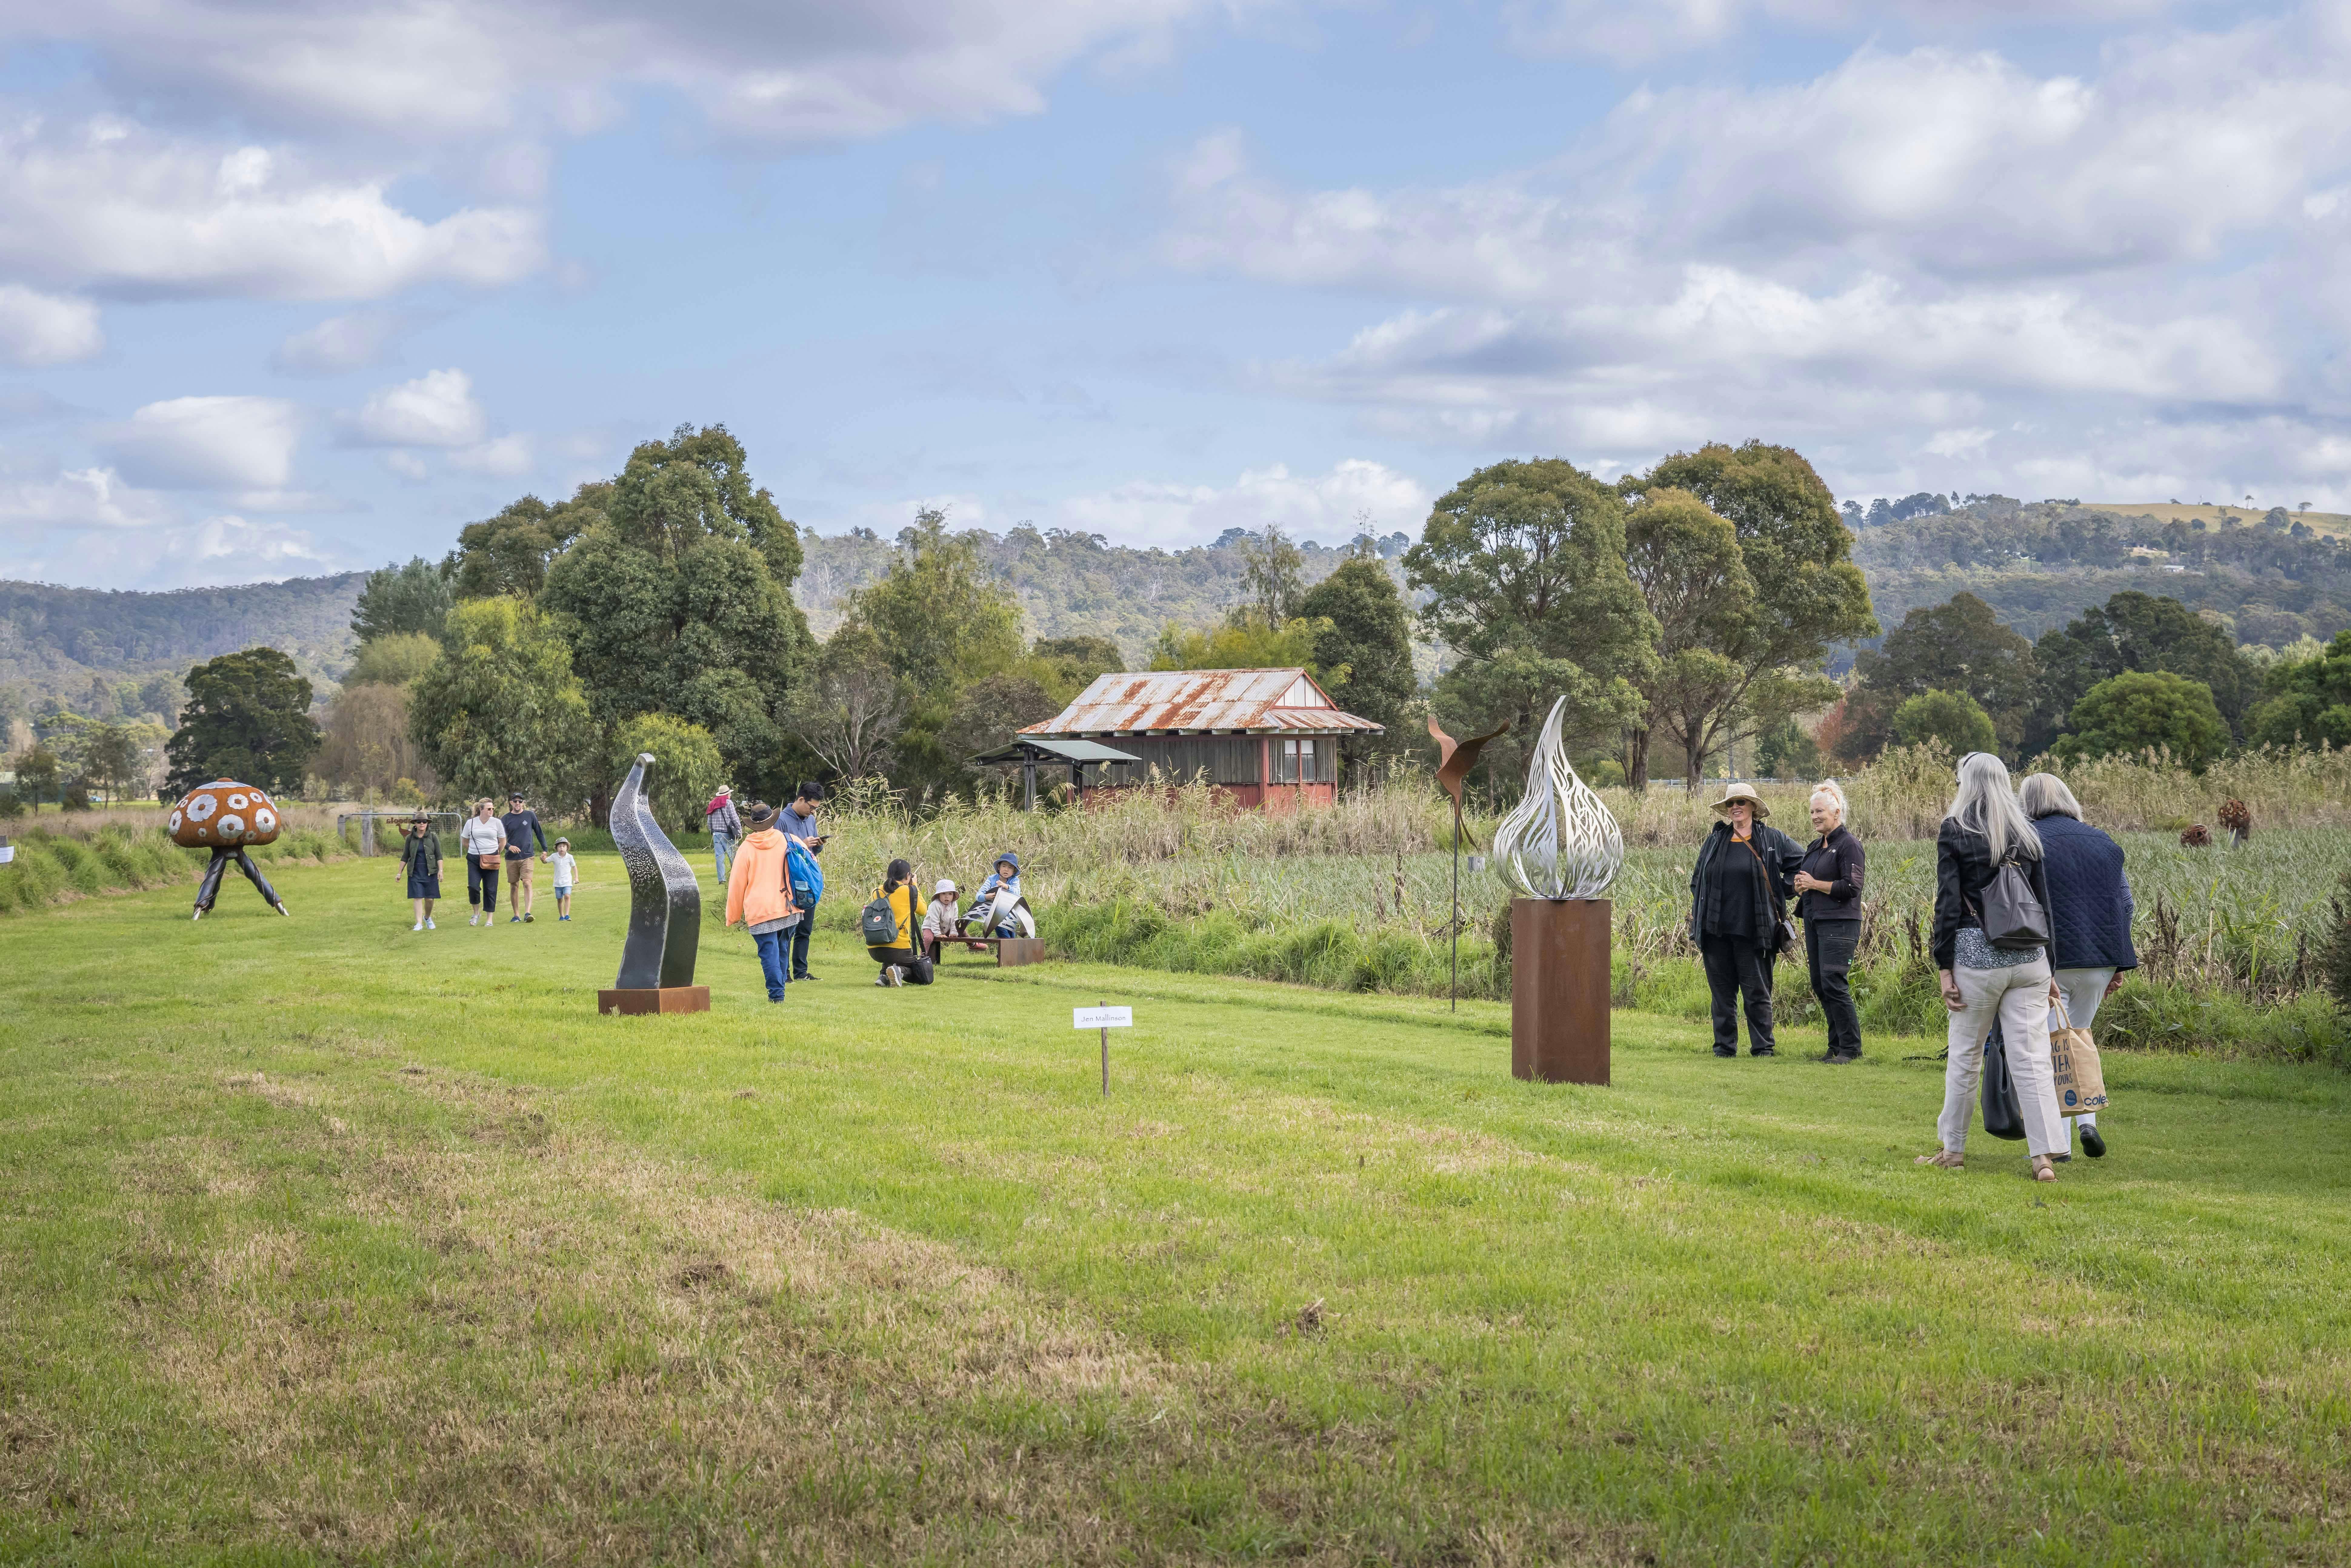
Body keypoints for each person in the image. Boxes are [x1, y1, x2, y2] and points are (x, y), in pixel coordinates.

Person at [1918, 752, 2065, 1181]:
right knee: (2032, 1058)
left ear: (1965, 782)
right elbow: (2042, 906)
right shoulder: (2027, 833)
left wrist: (1943, 965)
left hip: (1975, 955)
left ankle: (1953, 1150)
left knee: (1965, 1056)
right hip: (2029, 959)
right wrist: (2049, 966)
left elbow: (1947, 903)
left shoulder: (1955, 830)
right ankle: (2043, 1157)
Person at [2020, 772, 2134, 1160]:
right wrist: (2117, 963)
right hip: (2100, 960)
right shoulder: (2104, 842)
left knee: (2051, 1050)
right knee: (2079, 1036)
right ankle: (2086, 1124)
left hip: (2051, 961)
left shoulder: (2028, 841)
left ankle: (2058, 1146)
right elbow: (2126, 905)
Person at [1687, 781, 1804, 1058]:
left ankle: (1763, 1048)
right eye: (1731, 803)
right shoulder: (1716, 840)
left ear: (1753, 807)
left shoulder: (1771, 839)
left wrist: (1786, 889)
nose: (1735, 807)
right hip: (1716, 931)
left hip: (1756, 930)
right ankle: (1724, 1048)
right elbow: (1697, 881)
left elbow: (1802, 861)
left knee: (1757, 993)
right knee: (1722, 996)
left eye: (1741, 802)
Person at [1792, 779, 1866, 1063]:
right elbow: (1805, 881)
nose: (1814, 817)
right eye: (1811, 812)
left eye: (1820, 811)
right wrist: (1799, 886)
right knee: (1821, 984)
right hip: (1815, 920)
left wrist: (1815, 883)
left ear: (1837, 813)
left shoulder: (1849, 845)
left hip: (1840, 922)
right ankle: (1835, 1047)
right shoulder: (1815, 846)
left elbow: (1852, 888)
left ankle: (1851, 1048)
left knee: (1834, 982)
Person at [723, 801, 800, 1003]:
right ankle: (781, 986)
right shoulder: (788, 839)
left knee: (769, 953)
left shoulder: (746, 849)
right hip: (788, 905)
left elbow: (736, 885)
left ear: (753, 825)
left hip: (760, 911)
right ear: (772, 821)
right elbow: (810, 863)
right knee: (782, 947)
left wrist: (733, 916)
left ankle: (777, 996)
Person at [778, 782, 828, 982]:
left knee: (805, 929)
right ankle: (785, 973)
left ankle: (801, 972)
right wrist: (801, 844)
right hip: (789, 883)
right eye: (811, 807)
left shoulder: (811, 820)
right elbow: (777, 850)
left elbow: (812, 852)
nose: (812, 811)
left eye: (815, 808)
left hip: (808, 882)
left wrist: (818, 846)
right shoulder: (781, 820)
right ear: (800, 799)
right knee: (787, 930)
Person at [867, 857, 932, 987]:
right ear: (908, 876)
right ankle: (899, 971)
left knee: (891, 958)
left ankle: (884, 976)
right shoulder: (909, 891)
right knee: (922, 973)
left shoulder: (877, 891)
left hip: (874, 948)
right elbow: (923, 910)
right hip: (899, 948)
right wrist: (915, 886)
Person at [501, 791, 550, 923]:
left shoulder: (530, 815)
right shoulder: (505, 819)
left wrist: (545, 849)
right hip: (511, 858)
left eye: (520, 801)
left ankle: (528, 913)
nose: (518, 803)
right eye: (515, 801)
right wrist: (509, 847)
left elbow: (539, 833)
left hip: (528, 856)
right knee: (514, 885)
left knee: (527, 883)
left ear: (523, 803)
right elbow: (500, 838)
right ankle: (516, 915)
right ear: (511, 802)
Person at [459, 799, 506, 928]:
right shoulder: (471, 823)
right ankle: (476, 913)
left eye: (493, 809)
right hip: (474, 858)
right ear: (481, 809)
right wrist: (475, 851)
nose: (492, 811)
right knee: (473, 887)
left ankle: (489, 919)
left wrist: (495, 854)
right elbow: (465, 842)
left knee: (491, 889)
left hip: (492, 858)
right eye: (489, 809)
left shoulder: (497, 823)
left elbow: (502, 842)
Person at [963, 851, 1033, 938]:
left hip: (1012, 914)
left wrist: (1007, 887)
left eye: (1010, 868)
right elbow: (978, 896)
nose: (1006, 870)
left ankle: (1008, 951)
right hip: (997, 916)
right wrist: (986, 897)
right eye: (1004, 866)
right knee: (1001, 929)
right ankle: (1007, 951)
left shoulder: (1014, 880)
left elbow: (1017, 892)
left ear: (1014, 871)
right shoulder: (992, 879)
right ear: (999, 867)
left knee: (1011, 935)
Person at [399, 811, 441, 931]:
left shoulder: (433, 837)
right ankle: (419, 923)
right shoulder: (410, 839)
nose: (422, 824)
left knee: (429, 899)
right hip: (415, 872)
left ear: (427, 824)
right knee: (417, 897)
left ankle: (427, 918)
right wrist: (399, 873)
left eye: (424, 822)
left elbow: (439, 856)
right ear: (415, 824)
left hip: (430, 872)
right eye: (419, 822)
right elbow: (405, 856)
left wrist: (441, 871)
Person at [921, 877, 973, 963]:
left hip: (946, 927)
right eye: (944, 894)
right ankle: (923, 956)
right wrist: (938, 934)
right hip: (930, 928)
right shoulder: (936, 905)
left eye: (950, 894)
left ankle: (972, 944)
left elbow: (955, 920)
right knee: (928, 938)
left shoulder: (954, 904)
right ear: (939, 895)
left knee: (962, 930)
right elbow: (934, 921)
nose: (947, 897)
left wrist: (954, 932)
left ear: (953, 896)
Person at [707, 784, 742, 885]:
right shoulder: (728, 803)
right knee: (733, 857)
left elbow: (709, 821)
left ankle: (722, 879)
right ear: (728, 794)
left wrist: (712, 831)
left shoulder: (712, 803)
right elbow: (734, 818)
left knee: (719, 857)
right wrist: (739, 830)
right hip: (728, 834)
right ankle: (736, 877)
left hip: (717, 834)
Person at [548, 837, 579, 921]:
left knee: (567, 896)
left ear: (567, 848)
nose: (562, 848)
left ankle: (567, 915)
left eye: (564, 847)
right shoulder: (554, 856)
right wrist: (542, 859)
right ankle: (561, 916)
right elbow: (546, 861)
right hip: (558, 883)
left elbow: (574, 867)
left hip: (567, 882)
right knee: (560, 899)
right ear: (557, 848)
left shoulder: (570, 857)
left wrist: (576, 878)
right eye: (560, 847)